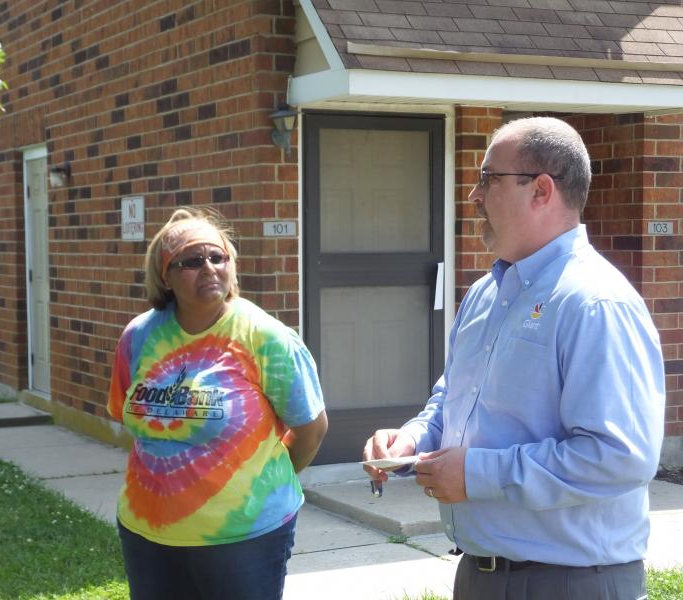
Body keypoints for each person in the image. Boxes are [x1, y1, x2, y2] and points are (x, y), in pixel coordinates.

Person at [363, 117, 665, 600]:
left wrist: (478, 474)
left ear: (542, 190)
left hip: (569, 581)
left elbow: (619, 458)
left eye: (488, 178)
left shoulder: (595, 302)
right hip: (481, 574)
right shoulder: (486, 293)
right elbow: (454, 397)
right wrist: (413, 438)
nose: (474, 196)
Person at [108, 207, 327, 600]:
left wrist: (259, 483)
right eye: (191, 261)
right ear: (166, 276)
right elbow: (130, 416)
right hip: (147, 534)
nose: (208, 268)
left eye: (217, 257)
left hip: (243, 538)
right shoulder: (138, 336)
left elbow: (312, 429)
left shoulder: (267, 338)